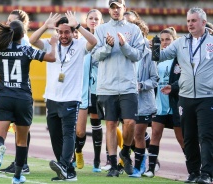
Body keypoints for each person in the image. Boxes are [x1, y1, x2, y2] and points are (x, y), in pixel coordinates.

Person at [29, 11, 97, 181]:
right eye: (60, 32)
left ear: (72, 31)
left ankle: (65, 165)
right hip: (51, 98)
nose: (63, 35)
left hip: (71, 98)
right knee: (54, 135)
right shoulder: (51, 43)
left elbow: (94, 41)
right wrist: (45, 26)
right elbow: (32, 40)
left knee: (68, 134)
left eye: (67, 32)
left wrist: (79, 26)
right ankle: (67, 171)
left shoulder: (80, 45)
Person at [0, 19, 57, 184]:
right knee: (21, 140)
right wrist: (53, 43)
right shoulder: (26, 49)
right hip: (23, 99)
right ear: (22, 35)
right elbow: (52, 57)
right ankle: (18, 177)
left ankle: (0, 148)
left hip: (4, 97)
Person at [158, 7, 213, 184]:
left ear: (203, 23)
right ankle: (193, 172)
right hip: (186, 96)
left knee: (206, 136)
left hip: (207, 96)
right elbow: (161, 55)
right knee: (188, 137)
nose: (190, 24)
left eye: (193, 21)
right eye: (188, 21)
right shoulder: (180, 42)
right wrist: (153, 48)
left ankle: (207, 173)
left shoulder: (212, 42)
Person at [92, 0, 145, 177]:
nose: (115, 10)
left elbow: (138, 55)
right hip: (107, 85)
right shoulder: (100, 29)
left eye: (118, 6)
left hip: (128, 85)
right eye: (112, 7)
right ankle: (114, 164)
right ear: (109, 9)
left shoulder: (134, 30)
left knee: (130, 123)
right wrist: (107, 46)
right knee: (111, 124)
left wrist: (124, 45)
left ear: (124, 8)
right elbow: (95, 56)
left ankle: (125, 152)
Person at [143, 27, 185, 178]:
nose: (165, 42)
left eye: (168, 39)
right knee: (155, 134)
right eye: (162, 40)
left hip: (175, 104)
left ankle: (193, 167)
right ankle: (151, 168)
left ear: (174, 41)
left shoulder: (179, 57)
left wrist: (173, 88)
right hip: (159, 104)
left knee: (182, 139)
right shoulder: (156, 58)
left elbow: (183, 79)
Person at [0, 9, 32, 175]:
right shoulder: (11, 42)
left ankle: (22, 163)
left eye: (11, 21)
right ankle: (20, 164)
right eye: (7, 20)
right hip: (17, 91)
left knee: (21, 130)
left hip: (16, 90)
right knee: (20, 129)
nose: (7, 24)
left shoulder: (21, 42)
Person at [128, 19, 159, 178]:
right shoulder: (126, 52)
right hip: (127, 99)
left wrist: (141, 85)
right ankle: (142, 159)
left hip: (143, 101)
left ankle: (138, 167)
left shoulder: (148, 53)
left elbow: (155, 79)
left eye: (140, 34)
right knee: (131, 136)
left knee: (138, 134)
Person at [74, 9, 104, 173]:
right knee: (79, 130)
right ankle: (77, 152)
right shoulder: (80, 38)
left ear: (101, 21)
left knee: (97, 123)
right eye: (91, 18)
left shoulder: (106, 39)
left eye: (96, 19)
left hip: (98, 88)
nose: (93, 21)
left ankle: (97, 161)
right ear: (86, 21)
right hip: (81, 89)